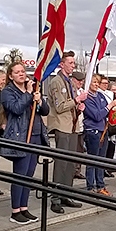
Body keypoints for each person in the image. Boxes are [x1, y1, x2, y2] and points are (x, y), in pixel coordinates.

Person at [0, 61, 49, 224]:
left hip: (35, 135)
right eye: (17, 72)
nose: (21, 74)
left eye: (23, 71)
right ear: (10, 75)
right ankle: (15, 211)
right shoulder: (8, 91)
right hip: (21, 136)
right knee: (20, 174)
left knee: (29, 174)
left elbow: (45, 111)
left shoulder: (33, 89)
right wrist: (28, 94)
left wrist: (39, 100)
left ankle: (24, 207)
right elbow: (15, 109)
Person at [46, 51, 85, 214]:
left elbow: (71, 103)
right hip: (62, 126)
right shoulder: (57, 82)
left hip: (73, 126)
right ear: (61, 64)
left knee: (70, 163)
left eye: (73, 63)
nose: (73, 65)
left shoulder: (69, 82)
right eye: (70, 62)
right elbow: (60, 106)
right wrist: (76, 100)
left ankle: (66, 194)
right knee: (61, 163)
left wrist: (78, 106)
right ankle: (55, 197)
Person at [83, 74, 116, 195]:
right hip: (93, 131)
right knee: (93, 159)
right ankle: (90, 186)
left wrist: (112, 109)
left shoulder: (100, 95)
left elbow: (105, 112)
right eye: (94, 82)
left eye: (98, 82)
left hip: (103, 129)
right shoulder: (87, 98)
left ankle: (100, 185)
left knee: (101, 160)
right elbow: (97, 115)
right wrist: (109, 106)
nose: (96, 84)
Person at [71, 71, 87, 180]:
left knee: (80, 149)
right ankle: (71, 171)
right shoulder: (72, 91)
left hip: (81, 125)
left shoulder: (82, 92)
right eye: (78, 80)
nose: (80, 83)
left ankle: (77, 170)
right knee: (72, 149)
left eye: (82, 81)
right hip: (72, 125)